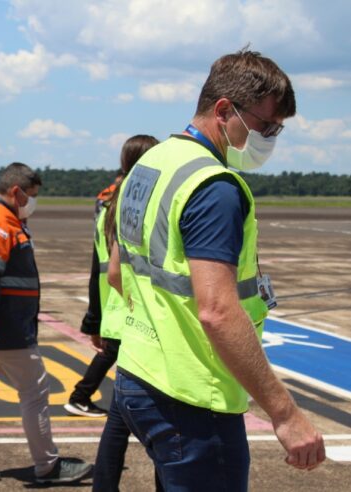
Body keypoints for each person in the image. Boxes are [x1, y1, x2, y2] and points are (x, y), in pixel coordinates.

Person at [108, 49, 324, 491]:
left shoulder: (150, 164)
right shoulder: (212, 187)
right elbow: (218, 311)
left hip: (137, 376)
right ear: (224, 110)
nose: (270, 137)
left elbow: (117, 271)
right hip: (191, 397)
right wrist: (285, 414)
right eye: (266, 126)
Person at [0, 163, 92, 485]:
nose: (32, 202)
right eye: (31, 196)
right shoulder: (0, 222)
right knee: (35, 391)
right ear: (16, 191)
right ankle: (47, 466)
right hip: (3, 325)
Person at [65, 135, 159, 419]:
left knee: (115, 351)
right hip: (127, 291)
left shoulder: (107, 201)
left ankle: (90, 398)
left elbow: (97, 264)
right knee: (118, 353)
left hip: (110, 293)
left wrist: (92, 317)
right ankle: (82, 395)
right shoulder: (135, 201)